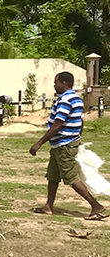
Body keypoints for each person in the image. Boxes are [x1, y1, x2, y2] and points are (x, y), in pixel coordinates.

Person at [30, 71, 105, 220]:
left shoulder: (65, 100)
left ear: (64, 83)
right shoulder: (76, 99)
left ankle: (96, 206)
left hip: (64, 145)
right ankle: (48, 206)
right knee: (53, 175)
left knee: (70, 177)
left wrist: (39, 143)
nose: (54, 85)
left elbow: (58, 124)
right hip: (61, 144)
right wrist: (76, 136)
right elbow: (81, 121)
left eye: (56, 82)